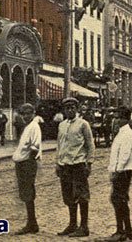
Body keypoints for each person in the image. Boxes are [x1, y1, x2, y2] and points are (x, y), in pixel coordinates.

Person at [56, 97, 95, 237]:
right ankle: (72, 224)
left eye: (73, 107)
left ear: (77, 109)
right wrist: (58, 163)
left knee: (82, 196)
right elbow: (60, 145)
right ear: (64, 110)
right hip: (65, 165)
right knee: (68, 196)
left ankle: (84, 227)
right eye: (67, 108)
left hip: (78, 164)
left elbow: (90, 145)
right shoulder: (62, 125)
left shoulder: (83, 124)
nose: (70, 110)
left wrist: (89, 163)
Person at [100, 106, 132, 242]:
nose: (116, 120)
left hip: (123, 171)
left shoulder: (127, 134)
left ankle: (120, 231)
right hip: (122, 170)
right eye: (116, 117)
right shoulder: (122, 132)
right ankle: (128, 230)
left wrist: (117, 171)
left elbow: (124, 155)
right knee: (121, 199)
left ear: (125, 119)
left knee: (117, 199)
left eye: (119, 117)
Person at [11, 103, 42, 235]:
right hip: (22, 162)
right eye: (23, 114)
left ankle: (32, 223)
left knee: (28, 193)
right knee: (25, 193)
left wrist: (29, 162)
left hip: (27, 163)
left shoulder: (34, 126)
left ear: (33, 113)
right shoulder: (27, 126)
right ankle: (31, 222)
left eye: (28, 113)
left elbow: (35, 147)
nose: (26, 116)